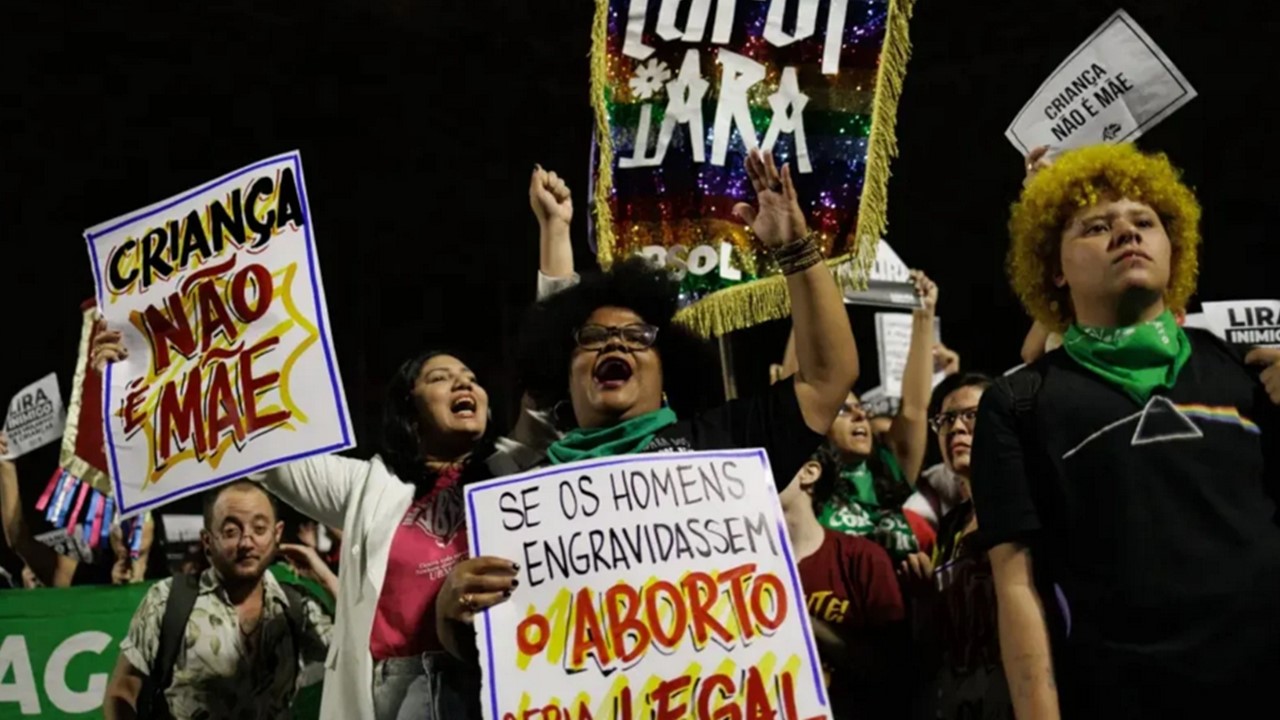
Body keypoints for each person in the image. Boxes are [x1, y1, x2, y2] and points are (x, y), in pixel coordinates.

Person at [92, 165, 580, 720]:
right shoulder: (368, 484)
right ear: (410, 409)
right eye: (442, 377)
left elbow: (549, 373)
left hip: (494, 680)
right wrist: (135, 370)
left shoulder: (512, 465)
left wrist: (555, 230)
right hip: (392, 694)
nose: (465, 382)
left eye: (471, 376)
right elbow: (256, 441)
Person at [436, 149, 861, 685]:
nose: (614, 342)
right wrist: (449, 613)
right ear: (566, 377)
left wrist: (798, 250)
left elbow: (828, 377)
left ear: (668, 373)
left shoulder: (723, 442)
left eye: (637, 338)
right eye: (592, 339)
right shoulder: (525, 494)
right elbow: (492, 649)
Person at [973, 143, 1280, 718]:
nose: (1127, 233)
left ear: (1174, 247)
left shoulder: (1249, 374)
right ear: (1055, 270)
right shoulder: (1016, 405)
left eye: (1145, 221)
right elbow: (1017, 586)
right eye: (1095, 226)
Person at [103, 481, 333, 720]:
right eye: (231, 531)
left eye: (259, 529)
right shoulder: (167, 600)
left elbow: (361, 653)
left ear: (277, 534)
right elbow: (122, 691)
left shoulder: (297, 605)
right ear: (207, 541)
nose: (246, 542)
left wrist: (326, 578)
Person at [810, 270, 941, 561]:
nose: (859, 415)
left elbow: (914, 407)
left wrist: (924, 313)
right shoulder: (807, 487)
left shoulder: (888, 472)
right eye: (844, 409)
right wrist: (816, 291)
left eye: (861, 408)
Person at [784, 447, 906, 719]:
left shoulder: (862, 559)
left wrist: (800, 619)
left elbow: (891, 669)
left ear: (810, 472)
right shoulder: (746, 567)